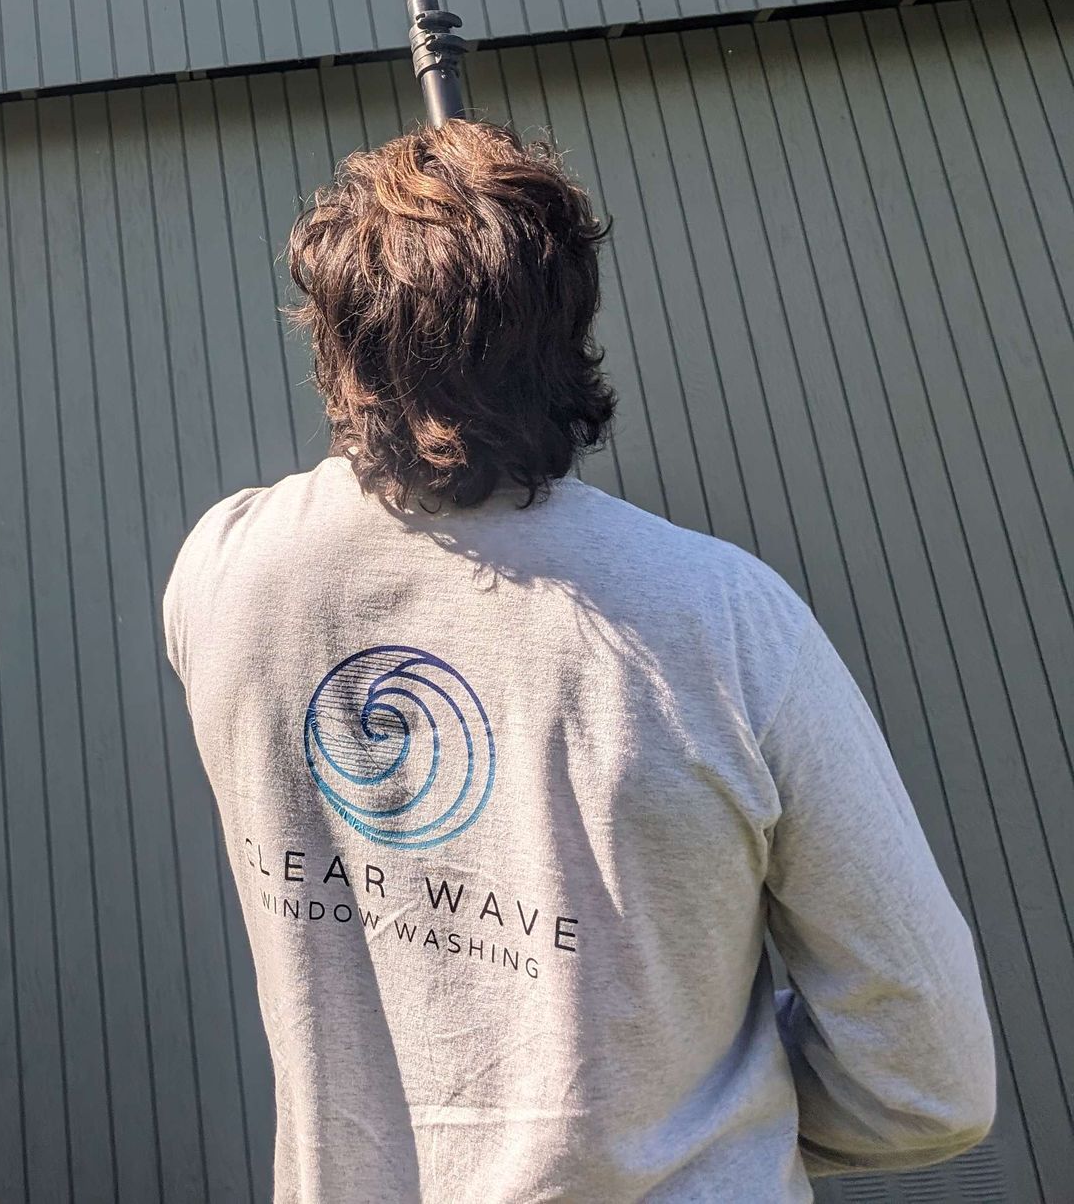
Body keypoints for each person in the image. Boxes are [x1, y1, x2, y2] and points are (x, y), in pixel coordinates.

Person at [164, 119, 997, 1203]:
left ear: (335, 345)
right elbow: (930, 1078)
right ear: (569, 333)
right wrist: (708, 1129)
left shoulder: (225, 577)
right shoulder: (724, 623)